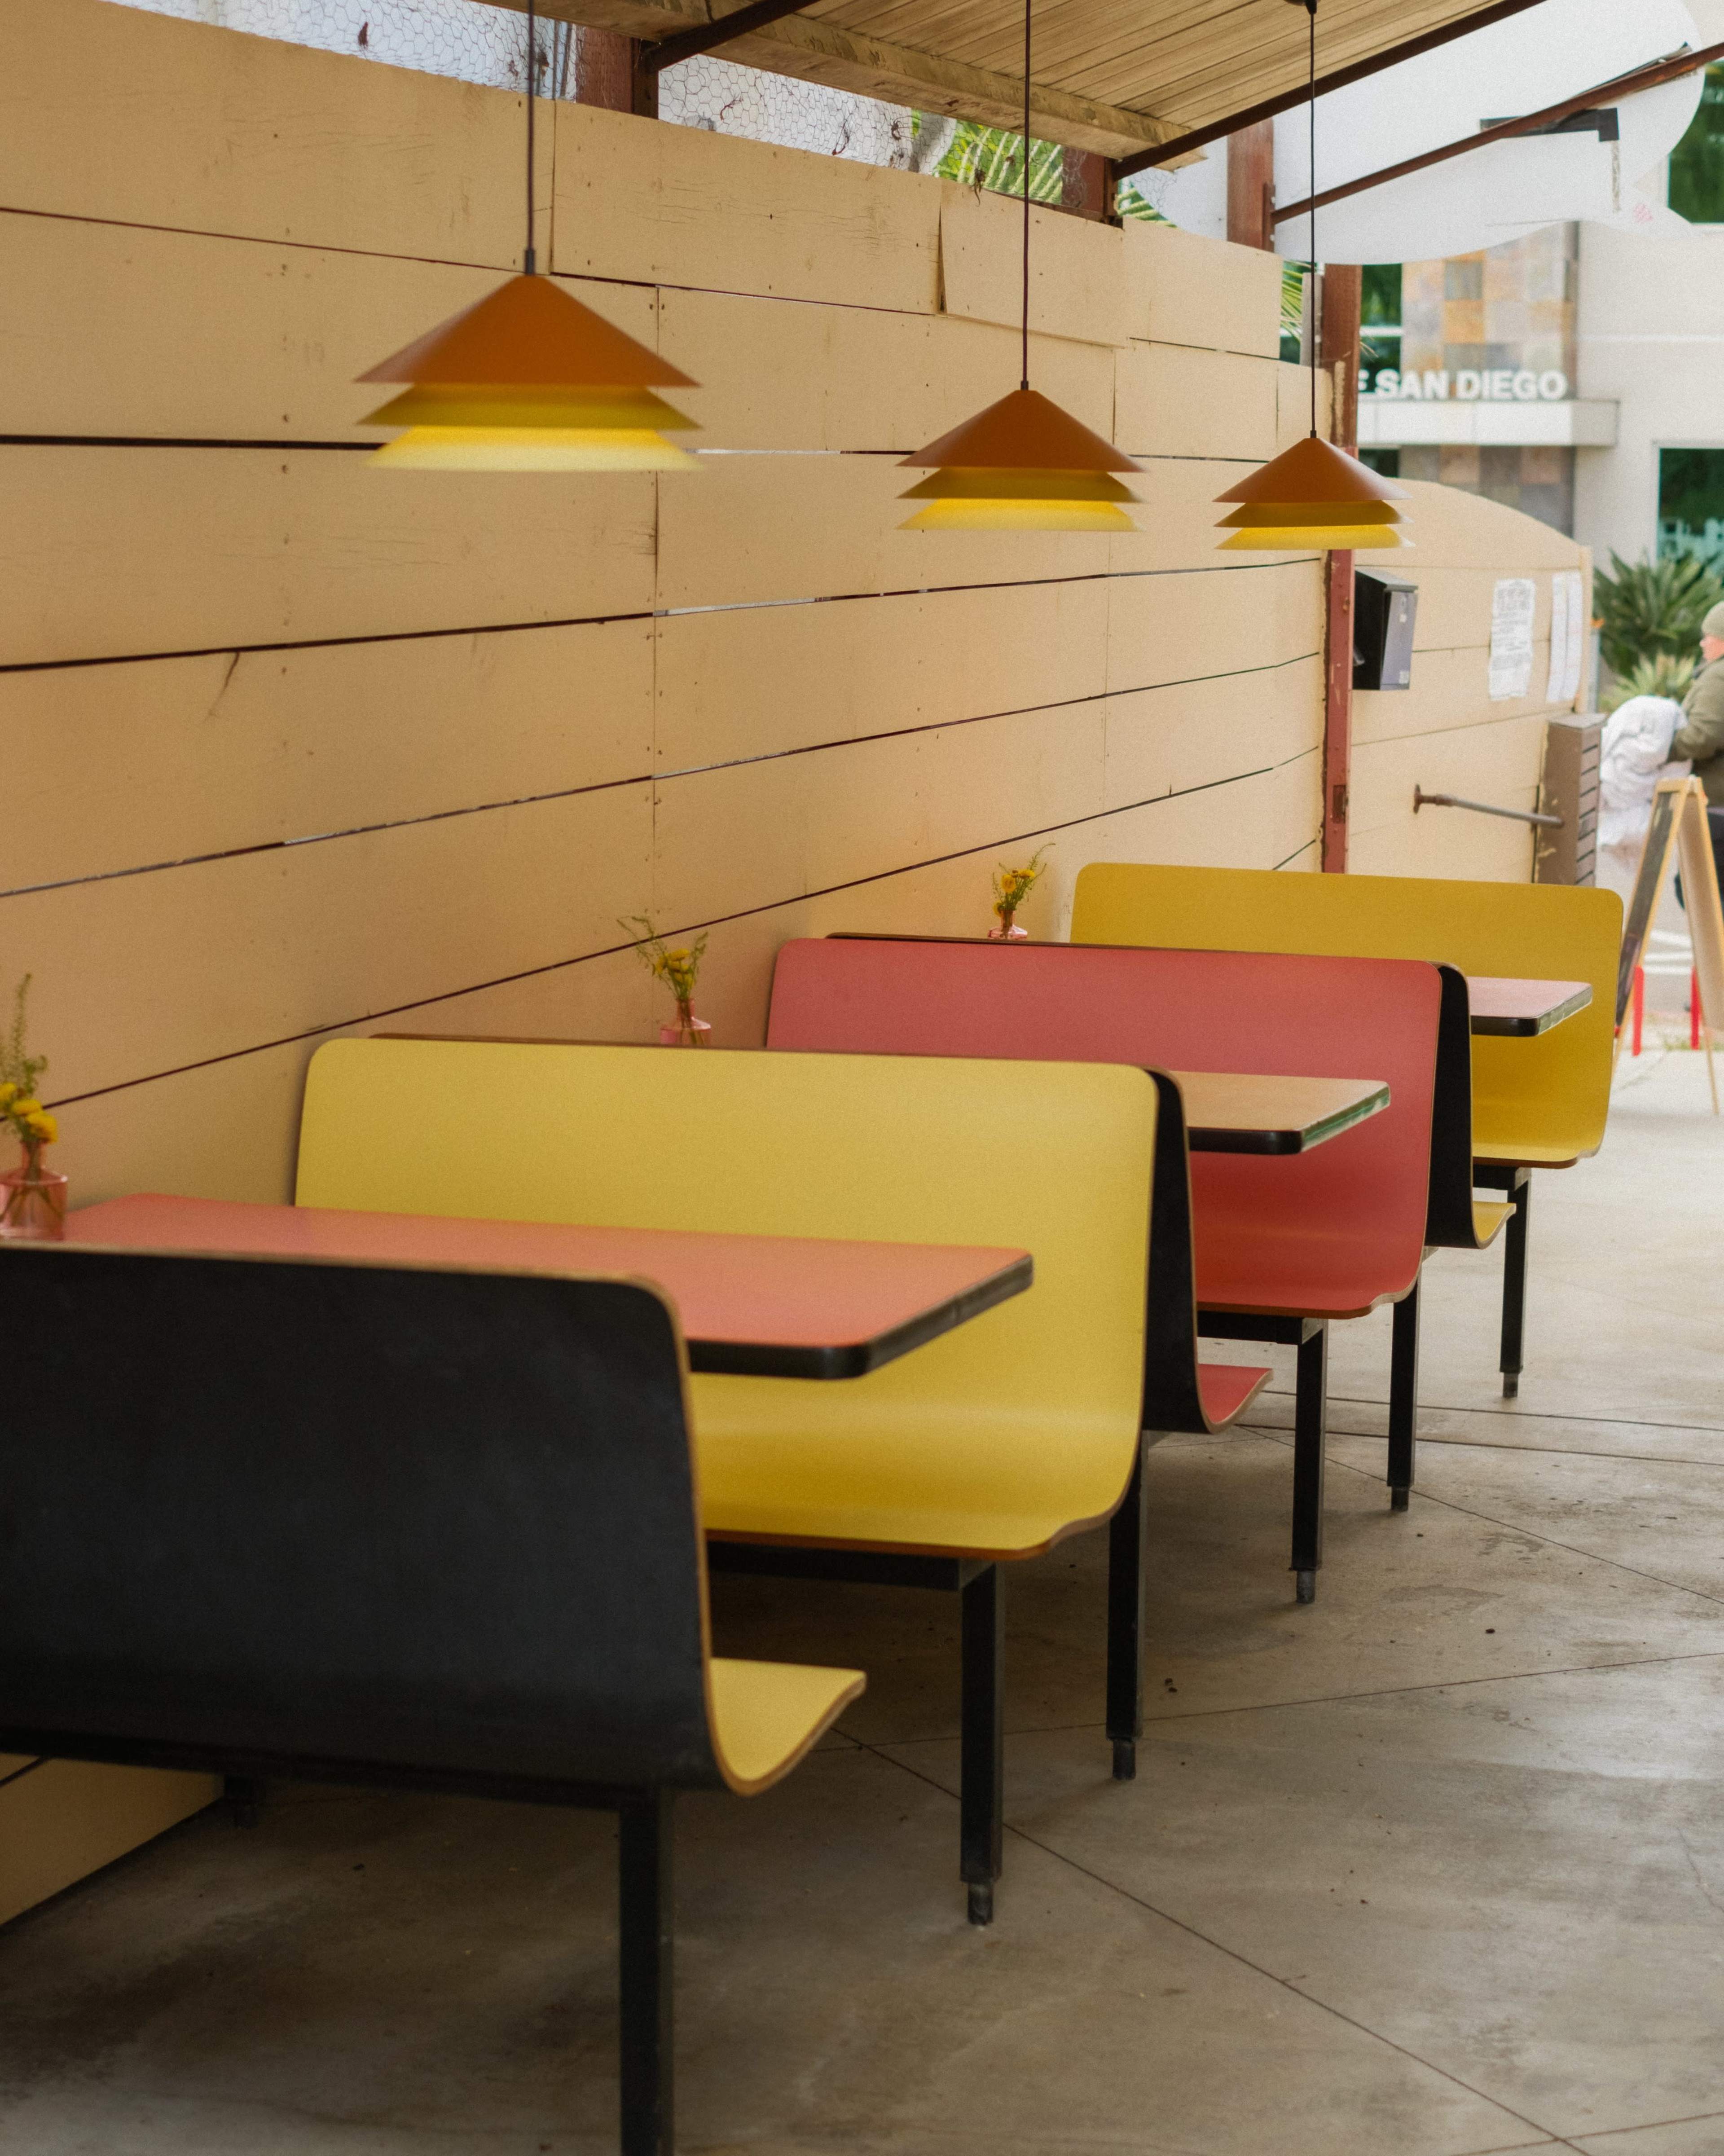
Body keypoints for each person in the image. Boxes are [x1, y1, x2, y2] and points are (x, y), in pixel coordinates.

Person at [1672, 598, 1724, 895]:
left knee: (1698, 891)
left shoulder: (1718, 676)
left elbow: (1704, 736)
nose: (1703, 644)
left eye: (1709, 637)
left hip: (1716, 805)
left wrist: (1663, 750)